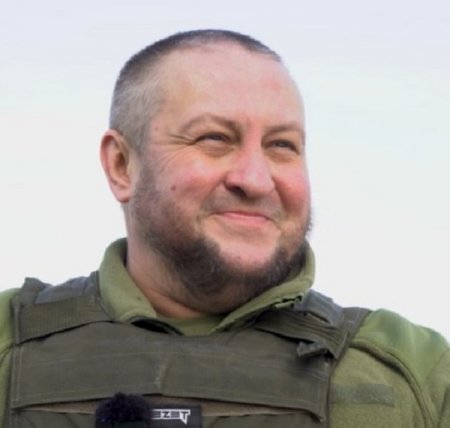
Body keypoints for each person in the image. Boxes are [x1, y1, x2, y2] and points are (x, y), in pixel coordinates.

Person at [0, 29, 449, 428]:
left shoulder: (415, 373)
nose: (255, 179)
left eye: (282, 145)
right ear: (122, 165)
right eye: (214, 138)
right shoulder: (9, 345)